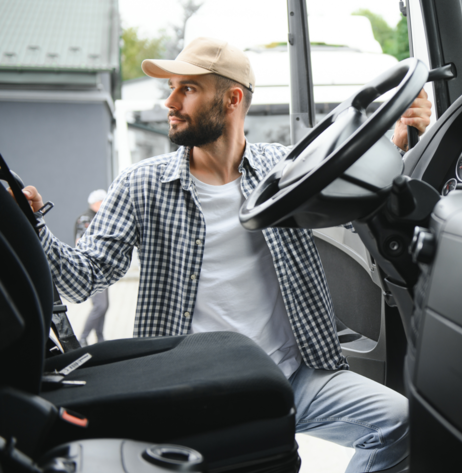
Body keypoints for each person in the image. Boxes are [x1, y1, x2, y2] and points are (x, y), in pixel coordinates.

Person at [19, 37, 431, 473]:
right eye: (171, 88)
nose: (170, 102)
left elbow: (358, 204)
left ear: (232, 99)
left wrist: (398, 148)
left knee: (405, 423)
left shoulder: (285, 171)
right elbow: (82, 278)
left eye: (187, 89)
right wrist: (32, 227)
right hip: (194, 387)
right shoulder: (141, 184)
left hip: (297, 375)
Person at [74, 189, 109, 346]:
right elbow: (80, 243)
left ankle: (99, 337)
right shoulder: (85, 219)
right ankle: (83, 337)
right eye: (104, 201)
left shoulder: (97, 217)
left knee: (104, 305)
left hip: (101, 268)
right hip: (91, 268)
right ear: (97, 202)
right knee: (100, 305)